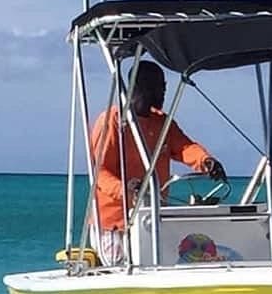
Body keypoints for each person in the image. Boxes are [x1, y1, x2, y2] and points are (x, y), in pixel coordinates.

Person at [89, 60, 225, 264]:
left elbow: (184, 147)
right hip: (114, 223)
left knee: (172, 261)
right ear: (138, 87)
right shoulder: (112, 121)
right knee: (125, 265)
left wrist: (206, 161)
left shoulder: (162, 122)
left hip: (151, 216)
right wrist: (124, 189)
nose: (163, 93)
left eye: (164, 87)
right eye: (158, 87)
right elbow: (100, 172)